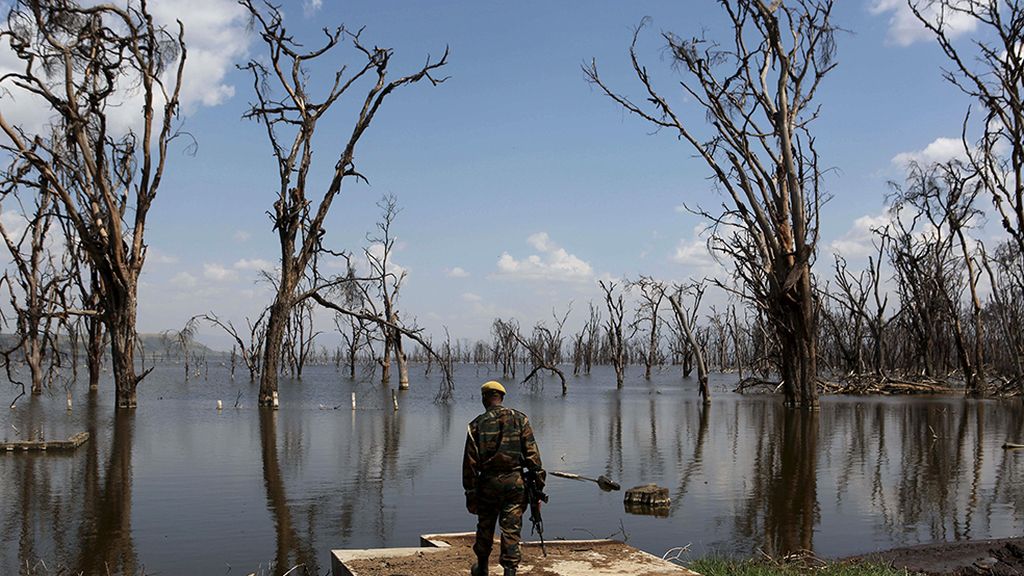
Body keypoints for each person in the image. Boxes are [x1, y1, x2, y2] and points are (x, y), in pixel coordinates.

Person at [463, 380, 545, 576]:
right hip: (515, 483)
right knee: (511, 529)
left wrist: (470, 493)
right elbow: (534, 458)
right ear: (501, 398)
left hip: (488, 484)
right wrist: (539, 490)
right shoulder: (520, 420)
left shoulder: (476, 425)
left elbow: (470, 465)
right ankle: (510, 571)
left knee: (485, 525)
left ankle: (482, 567)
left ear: (485, 398)